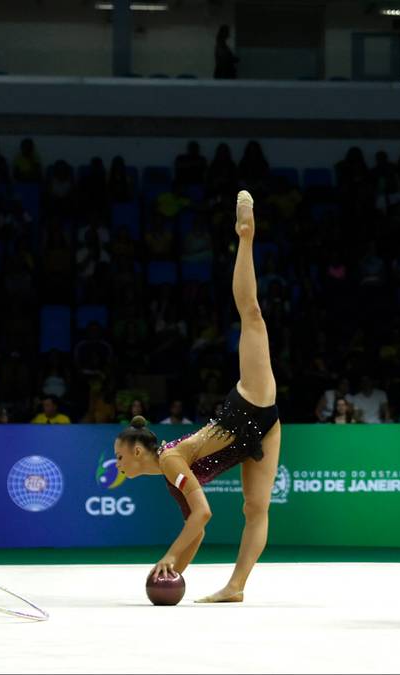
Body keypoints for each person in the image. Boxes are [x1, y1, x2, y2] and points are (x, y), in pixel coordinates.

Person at [114, 191, 280, 603]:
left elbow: (203, 514)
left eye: (119, 456)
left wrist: (166, 555)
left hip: (248, 407)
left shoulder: (171, 460)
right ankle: (236, 588)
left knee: (252, 316)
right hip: (264, 431)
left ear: (138, 452)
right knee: (255, 509)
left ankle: (245, 235)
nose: (117, 464)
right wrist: (173, 573)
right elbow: (198, 529)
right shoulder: (171, 478)